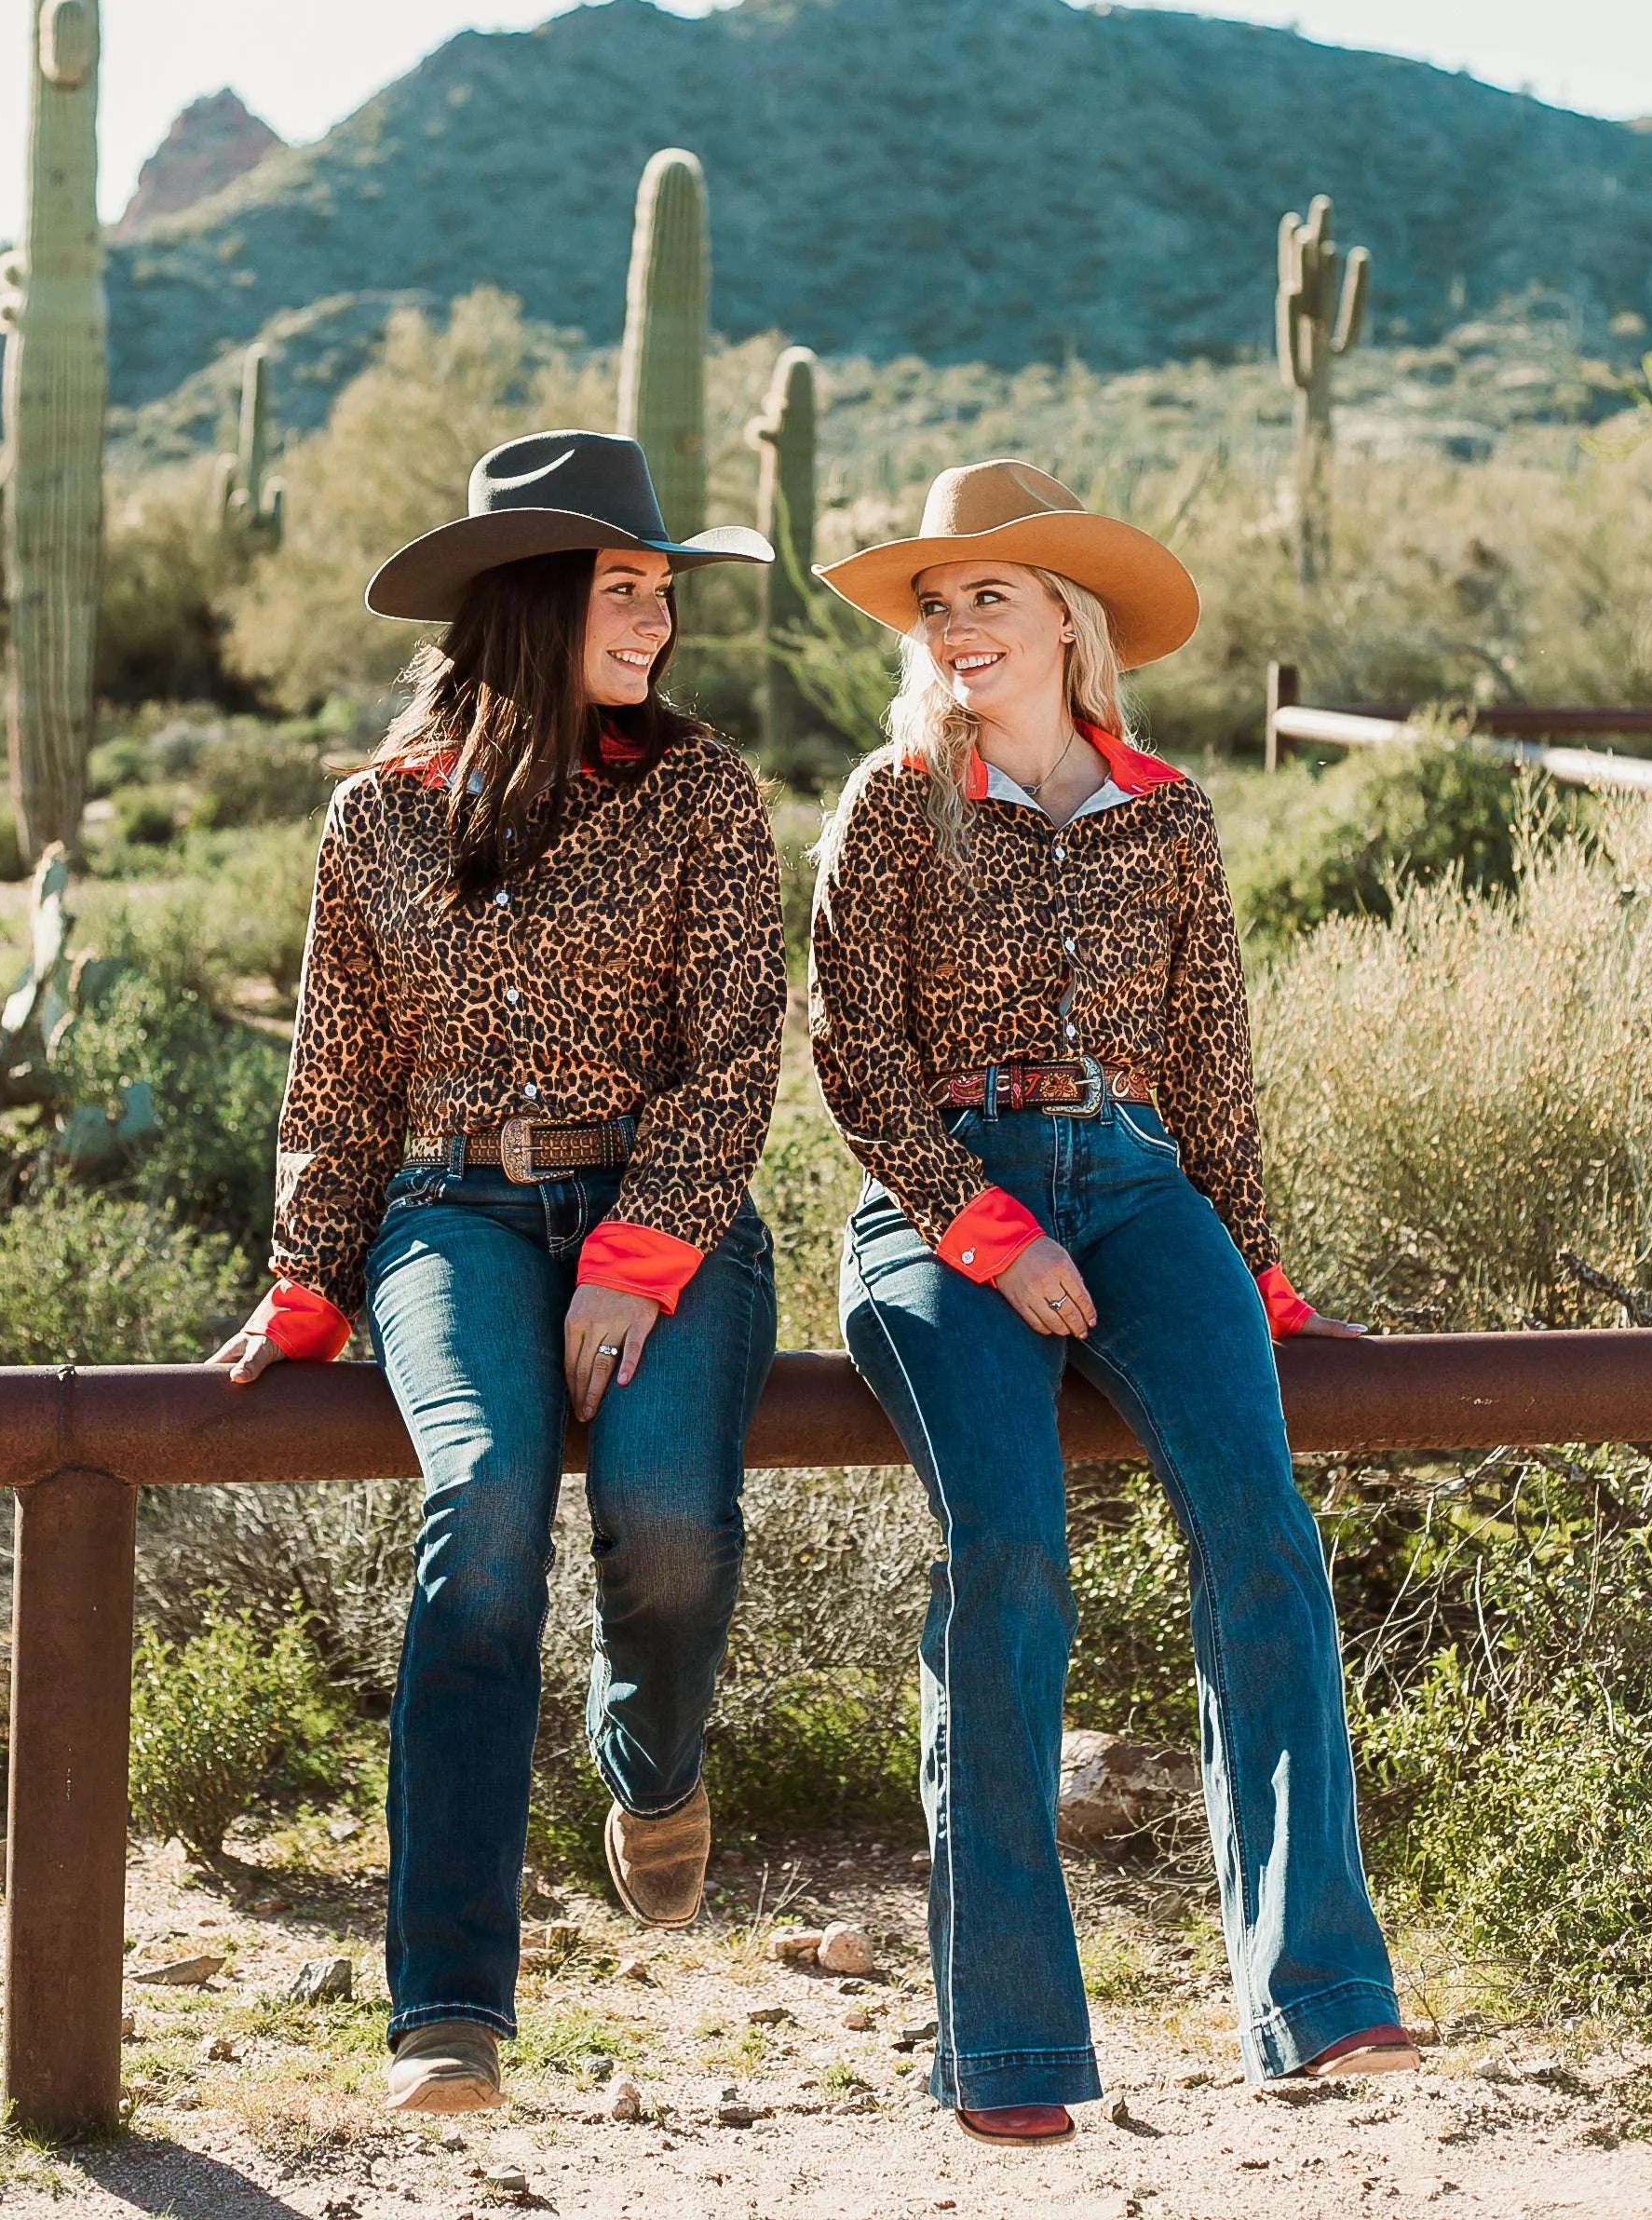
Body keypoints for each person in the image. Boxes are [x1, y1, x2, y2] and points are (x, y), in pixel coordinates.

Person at [807, 458, 1413, 2147]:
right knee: (1010, 1553)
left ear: (1068, 620)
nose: (952, 623)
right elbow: (850, 1051)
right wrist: (990, 1233)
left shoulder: (1168, 810)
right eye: (937, 603)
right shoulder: (892, 797)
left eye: (985, 593)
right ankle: (1004, 2052)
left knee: (1260, 1525)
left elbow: (1212, 1058)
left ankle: (1318, 1994)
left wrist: (1264, 1270)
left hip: (1145, 1186)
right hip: (942, 1201)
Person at [209, 431, 785, 2117]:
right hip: (450, 1212)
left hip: (662, 1208)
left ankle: (651, 1770)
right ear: (537, 601)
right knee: (480, 1512)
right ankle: (448, 2006)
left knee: (669, 1519)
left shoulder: (704, 795)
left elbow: (739, 1044)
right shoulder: (373, 821)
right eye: (630, 588)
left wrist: (643, 1245)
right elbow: (340, 1075)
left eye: (669, 591)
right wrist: (307, 1280)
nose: (661, 621)